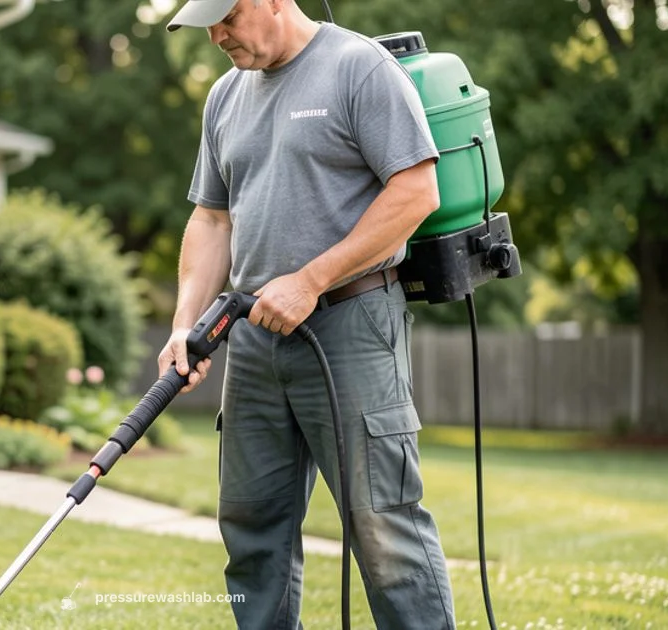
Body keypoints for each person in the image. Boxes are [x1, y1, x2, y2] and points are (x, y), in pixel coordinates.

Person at [158, 0, 457, 628]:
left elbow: (416, 191)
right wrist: (185, 322)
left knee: (383, 531)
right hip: (253, 343)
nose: (216, 35)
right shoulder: (224, 96)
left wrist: (311, 280)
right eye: (206, 24)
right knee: (251, 527)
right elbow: (212, 218)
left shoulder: (358, 68)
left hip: (351, 325)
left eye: (228, 16)